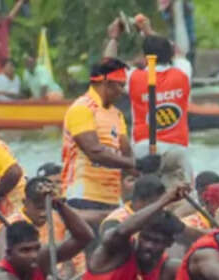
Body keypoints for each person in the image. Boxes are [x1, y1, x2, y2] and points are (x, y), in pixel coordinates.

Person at [62, 58, 159, 229]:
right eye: (120, 85)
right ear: (106, 83)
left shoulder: (117, 114)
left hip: (112, 198)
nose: (122, 91)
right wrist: (137, 163)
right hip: (83, 196)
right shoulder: (82, 108)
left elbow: (126, 154)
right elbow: (95, 152)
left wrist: (145, 170)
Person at [107, 19, 192, 166]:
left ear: (145, 57)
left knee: (146, 187)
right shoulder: (183, 71)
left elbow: (108, 65)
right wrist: (148, 31)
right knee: (183, 188)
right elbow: (175, 51)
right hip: (176, 148)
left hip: (144, 148)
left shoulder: (133, 77)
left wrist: (114, 37)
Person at [100, 175, 166, 235]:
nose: (160, 208)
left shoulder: (160, 217)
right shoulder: (115, 221)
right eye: (155, 204)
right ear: (140, 201)